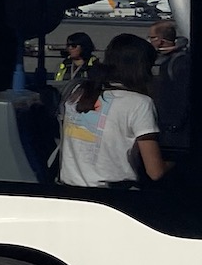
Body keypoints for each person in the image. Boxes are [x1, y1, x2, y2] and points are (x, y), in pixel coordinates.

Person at [57, 32, 168, 187]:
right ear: (142, 68)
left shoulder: (78, 92)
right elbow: (155, 172)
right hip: (114, 195)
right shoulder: (139, 103)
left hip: (71, 190)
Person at [149, 19, 192, 153]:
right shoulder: (173, 60)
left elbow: (183, 96)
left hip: (174, 131)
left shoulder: (178, 62)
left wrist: (173, 125)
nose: (149, 41)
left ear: (160, 41)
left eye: (151, 38)